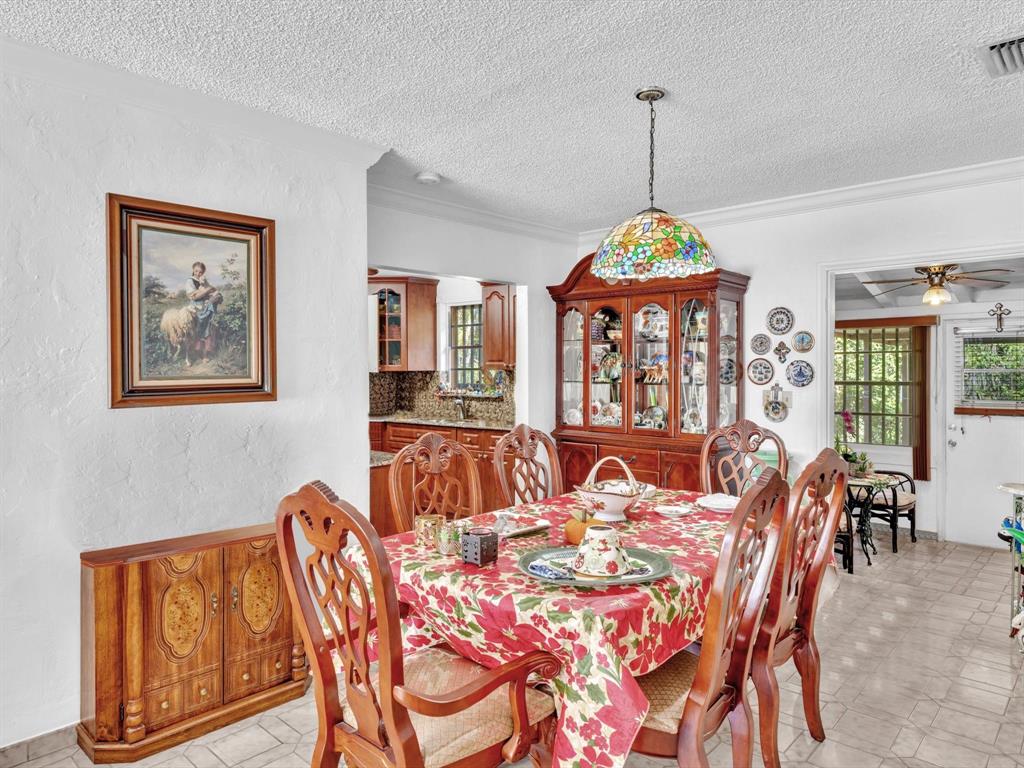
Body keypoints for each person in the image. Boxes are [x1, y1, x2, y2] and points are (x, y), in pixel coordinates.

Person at [185, 261, 222, 363]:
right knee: (197, 331)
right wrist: (207, 290)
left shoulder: (204, 280)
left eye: (200, 272)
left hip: (206, 307)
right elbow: (194, 297)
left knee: (208, 331)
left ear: (203, 272)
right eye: (196, 271)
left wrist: (211, 290)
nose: (198, 273)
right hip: (196, 309)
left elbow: (212, 289)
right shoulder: (190, 281)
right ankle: (195, 353)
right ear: (193, 270)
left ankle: (205, 354)